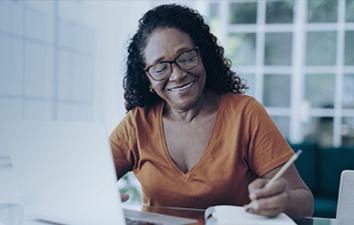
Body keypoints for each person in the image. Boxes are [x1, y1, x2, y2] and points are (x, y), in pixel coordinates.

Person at [110, 4, 313, 219]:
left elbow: (305, 203)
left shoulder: (245, 114)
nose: (177, 75)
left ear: (203, 56)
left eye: (187, 57)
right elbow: (86, 185)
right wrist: (99, 197)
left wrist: (282, 201)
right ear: (147, 78)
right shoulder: (137, 124)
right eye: (161, 67)